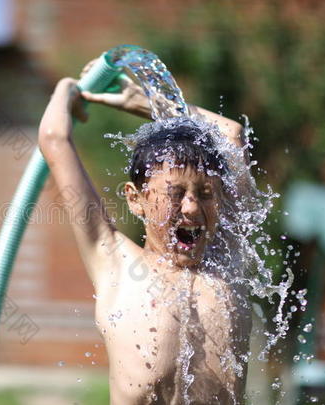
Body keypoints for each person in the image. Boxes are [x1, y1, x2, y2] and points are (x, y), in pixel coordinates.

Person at [37, 62, 252, 404]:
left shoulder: (226, 256)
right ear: (135, 200)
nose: (193, 208)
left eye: (206, 194)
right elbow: (54, 138)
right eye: (175, 193)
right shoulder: (114, 262)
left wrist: (143, 101)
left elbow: (230, 135)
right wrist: (68, 87)